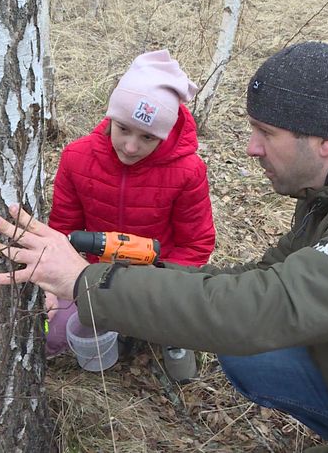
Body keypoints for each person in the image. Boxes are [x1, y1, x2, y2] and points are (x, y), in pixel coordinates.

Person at [0, 42, 328, 452]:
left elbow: (260, 308)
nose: (250, 149)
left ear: (324, 140)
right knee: (254, 357)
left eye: (264, 132)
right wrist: (123, 280)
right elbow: (251, 281)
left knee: (251, 337)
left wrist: (85, 283)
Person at [42, 49, 216, 371]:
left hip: (153, 280)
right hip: (88, 275)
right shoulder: (76, 158)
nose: (131, 147)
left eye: (148, 137)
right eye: (123, 129)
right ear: (110, 119)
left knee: (175, 343)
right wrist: (54, 285)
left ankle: (158, 337)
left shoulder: (188, 171)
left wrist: (154, 284)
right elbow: (63, 231)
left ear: (165, 133)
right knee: (50, 336)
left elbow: (196, 244)